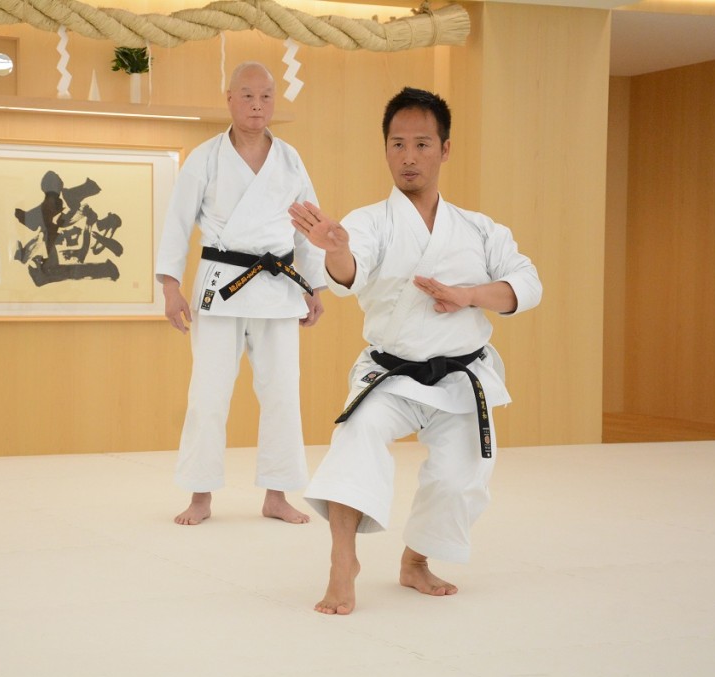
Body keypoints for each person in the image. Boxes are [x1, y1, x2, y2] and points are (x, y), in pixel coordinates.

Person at [289, 87, 542, 614]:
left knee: (461, 476)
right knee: (355, 437)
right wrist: (337, 251)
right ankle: (342, 561)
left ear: (445, 149)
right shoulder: (369, 222)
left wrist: (469, 296)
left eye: (422, 144)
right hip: (392, 374)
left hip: (459, 377)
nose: (408, 156)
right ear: (385, 148)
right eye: (397, 143)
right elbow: (350, 273)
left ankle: (416, 561)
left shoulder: (479, 228)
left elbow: (527, 285)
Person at [155, 62, 326, 526]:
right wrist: (170, 286)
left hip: (278, 287)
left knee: (283, 395)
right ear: (229, 99)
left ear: (274, 101)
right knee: (208, 394)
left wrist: (314, 285)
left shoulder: (289, 159)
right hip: (222, 285)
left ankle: (277, 495)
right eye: (247, 95)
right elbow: (176, 222)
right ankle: (200, 495)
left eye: (266, 96)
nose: (257, 105)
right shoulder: (205, 158)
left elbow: (308, 226)